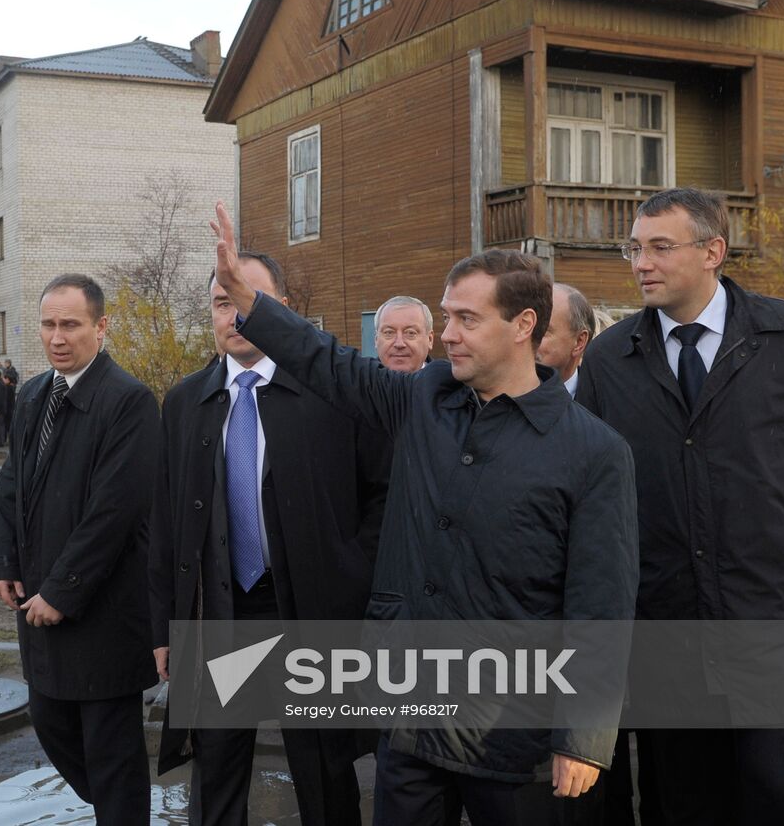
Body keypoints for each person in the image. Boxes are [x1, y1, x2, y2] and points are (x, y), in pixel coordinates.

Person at [209, 203, 638, 825]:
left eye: (466, 318)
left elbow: (601, 605)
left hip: (513, 737)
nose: (447, 334)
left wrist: (584, 738)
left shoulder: (595, 452)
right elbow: (325, 361)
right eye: (446, 317)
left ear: (523, 325)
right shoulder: (426, 398)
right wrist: (247, 298)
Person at [576, 187, 784, 826]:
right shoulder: (609, 359)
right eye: (634, 248)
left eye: (660, 247)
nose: (641, 263)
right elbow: (594, 498)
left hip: (773, 620)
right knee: (684, 799)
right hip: (666, 628)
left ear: (714, 251)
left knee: (777, 789)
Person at [150, 251, 389, 826]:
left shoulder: (337, 395)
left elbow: (383, 497)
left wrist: (352, 575)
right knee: (218, 768)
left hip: (311, 616)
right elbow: (166, 523)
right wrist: (164, 628)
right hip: (225, 617)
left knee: (323, 775)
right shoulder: (187, 403)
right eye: (219, 301)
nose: (232, 315)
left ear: (281, 310)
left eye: (246, 301)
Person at [0, 273, 160, 825]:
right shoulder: (34, 393)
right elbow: (10, 487)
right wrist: (5, 564)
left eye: (70, 324)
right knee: (52, 724)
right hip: (37, 606)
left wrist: (62, 592)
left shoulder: (128, 401)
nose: (57, 337)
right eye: (48, 324)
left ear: (101, 327)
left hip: (103, 614)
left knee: (112, 757)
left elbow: (114, 513)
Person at [536, 283, 595, 397]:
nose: (526, 340)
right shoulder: (497, 398)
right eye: (523, 327)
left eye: (541, 331)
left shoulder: (603, 402)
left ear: (579, 342)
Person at [375, 295, 435, 372]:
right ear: (376, 339)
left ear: (430, 339)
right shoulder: (360, 382)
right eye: (389, 333)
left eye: (410, 333)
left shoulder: (450, 382)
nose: (399, 344)